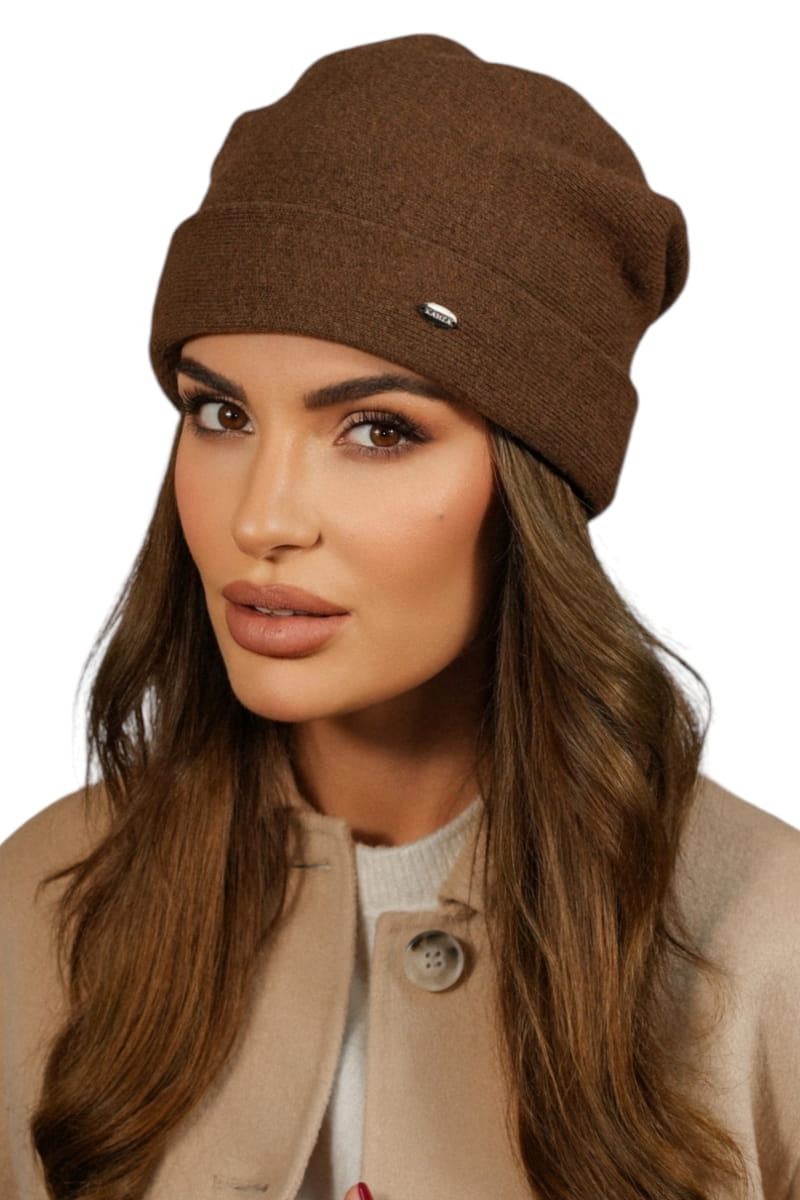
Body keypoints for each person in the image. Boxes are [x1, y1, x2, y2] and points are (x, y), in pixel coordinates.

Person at [1, 32, 798, 1200]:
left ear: (529, 488)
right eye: (220, 414)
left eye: (377, 430)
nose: (262, 517)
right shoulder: (48, 901)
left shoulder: (765, 941)